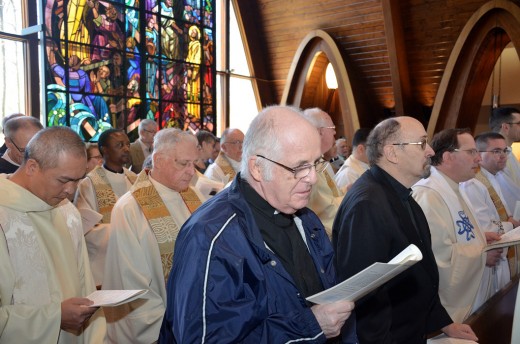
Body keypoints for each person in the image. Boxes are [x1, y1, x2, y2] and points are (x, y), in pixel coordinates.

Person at [160, 105, 357, 343]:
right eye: (299, 167)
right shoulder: (209, 236)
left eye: (315, 163)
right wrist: (310, 326)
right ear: (256, 167)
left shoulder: (305, 218)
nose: (312, 178)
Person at [333, 117, 477, 343]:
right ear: (392, 153)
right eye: (421, 143)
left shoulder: (400, 193)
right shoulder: (367, 205)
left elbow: (420, 273)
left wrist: (444, 323)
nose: (430, 151)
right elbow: (366, 296)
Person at [0, 126, 106, 343]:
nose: (71, 190)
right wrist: (54, 317)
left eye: (78, 180)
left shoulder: (68, 212)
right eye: (63, 180)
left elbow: (85, 286)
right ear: (31, 167)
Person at [103, 128, 206, 343]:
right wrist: (169, 323)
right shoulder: (130, 208)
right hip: (163, 326)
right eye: (183, 163)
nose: (191, 172)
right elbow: (130, 280)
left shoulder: (194, 195)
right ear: (158, 160)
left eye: (193, 163)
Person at [413, 128, 500, 322]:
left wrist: (480, 236)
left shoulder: (453, 187)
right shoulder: (429, 195)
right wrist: (482, 254)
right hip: (447, 315)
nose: (478, 159)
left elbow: (455, 233)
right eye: (471, 152)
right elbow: (438, 256)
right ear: (447, 157)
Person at [75, 129, 137, 287]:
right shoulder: (89, 184)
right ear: (104, 150)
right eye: (119, 145)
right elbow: (86, 228)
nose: (126, 148)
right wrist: (125, 232)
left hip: (135, 260)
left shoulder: (135, 180)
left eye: (127, 144)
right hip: (105, 264)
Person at [460, 132, 520, 291]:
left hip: (499, 255)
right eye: (495, 151)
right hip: (489, 258)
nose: (502, 156)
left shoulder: (494, 177)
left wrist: (510, 219)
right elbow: (482, 227)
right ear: (479, 154)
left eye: (504, 151)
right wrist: (510, 225)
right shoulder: (472, 183)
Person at [301, 107, 343, 237]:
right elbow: (325, 210)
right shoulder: (308, 165)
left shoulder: (321, 160)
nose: (335, 132)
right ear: (319, 132)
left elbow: (331, 197)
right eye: (332, 128)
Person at [489, 107, 520, 211]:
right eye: (519, 124)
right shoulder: (496, 158)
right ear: (506, 127)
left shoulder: (509, 153)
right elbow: (512, 193)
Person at [335, 128, 371, 193]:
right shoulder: (348, 174)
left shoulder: (365, 164)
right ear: (361, 149)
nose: (377, 152)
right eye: (374, 148)